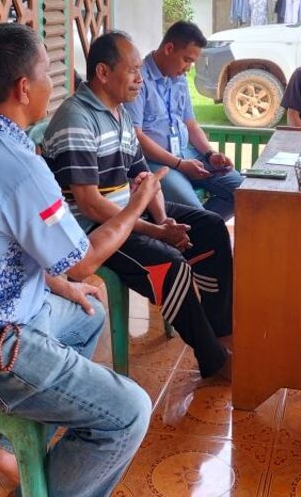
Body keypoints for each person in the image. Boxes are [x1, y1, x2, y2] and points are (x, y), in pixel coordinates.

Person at [0, 23, 162, 496]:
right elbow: (81, 262)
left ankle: (14, 448)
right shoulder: (17, 167)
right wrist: (136, 206)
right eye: (48, 72)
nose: (53, 83)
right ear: (24, 88)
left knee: (88, 310)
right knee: (128, 412)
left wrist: (60, 285)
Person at [43, 31, 233, 380]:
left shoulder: (119, 114)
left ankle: (221, 330)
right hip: (96, 231)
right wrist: (155, 231)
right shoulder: (77, 120)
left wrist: (163, 220)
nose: (139, 79)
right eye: (132, 70)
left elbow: (146, 177)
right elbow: (90, 205)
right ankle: (214, 360)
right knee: (171, 265)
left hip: (130, 212)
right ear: (103, 73)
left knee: (211, 228)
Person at [125, 20, 242, 220]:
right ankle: (200, 226)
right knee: (197, 214)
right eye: (186, 60)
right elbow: (137, 137)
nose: (188, 68)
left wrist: (210, 153)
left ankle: (200, 229)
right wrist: (179, 164)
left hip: (186, 153)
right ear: (169, 48)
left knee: (242, 191)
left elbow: (191, 123)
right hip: (157, 163)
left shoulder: (178, 78)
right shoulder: (138, 79)